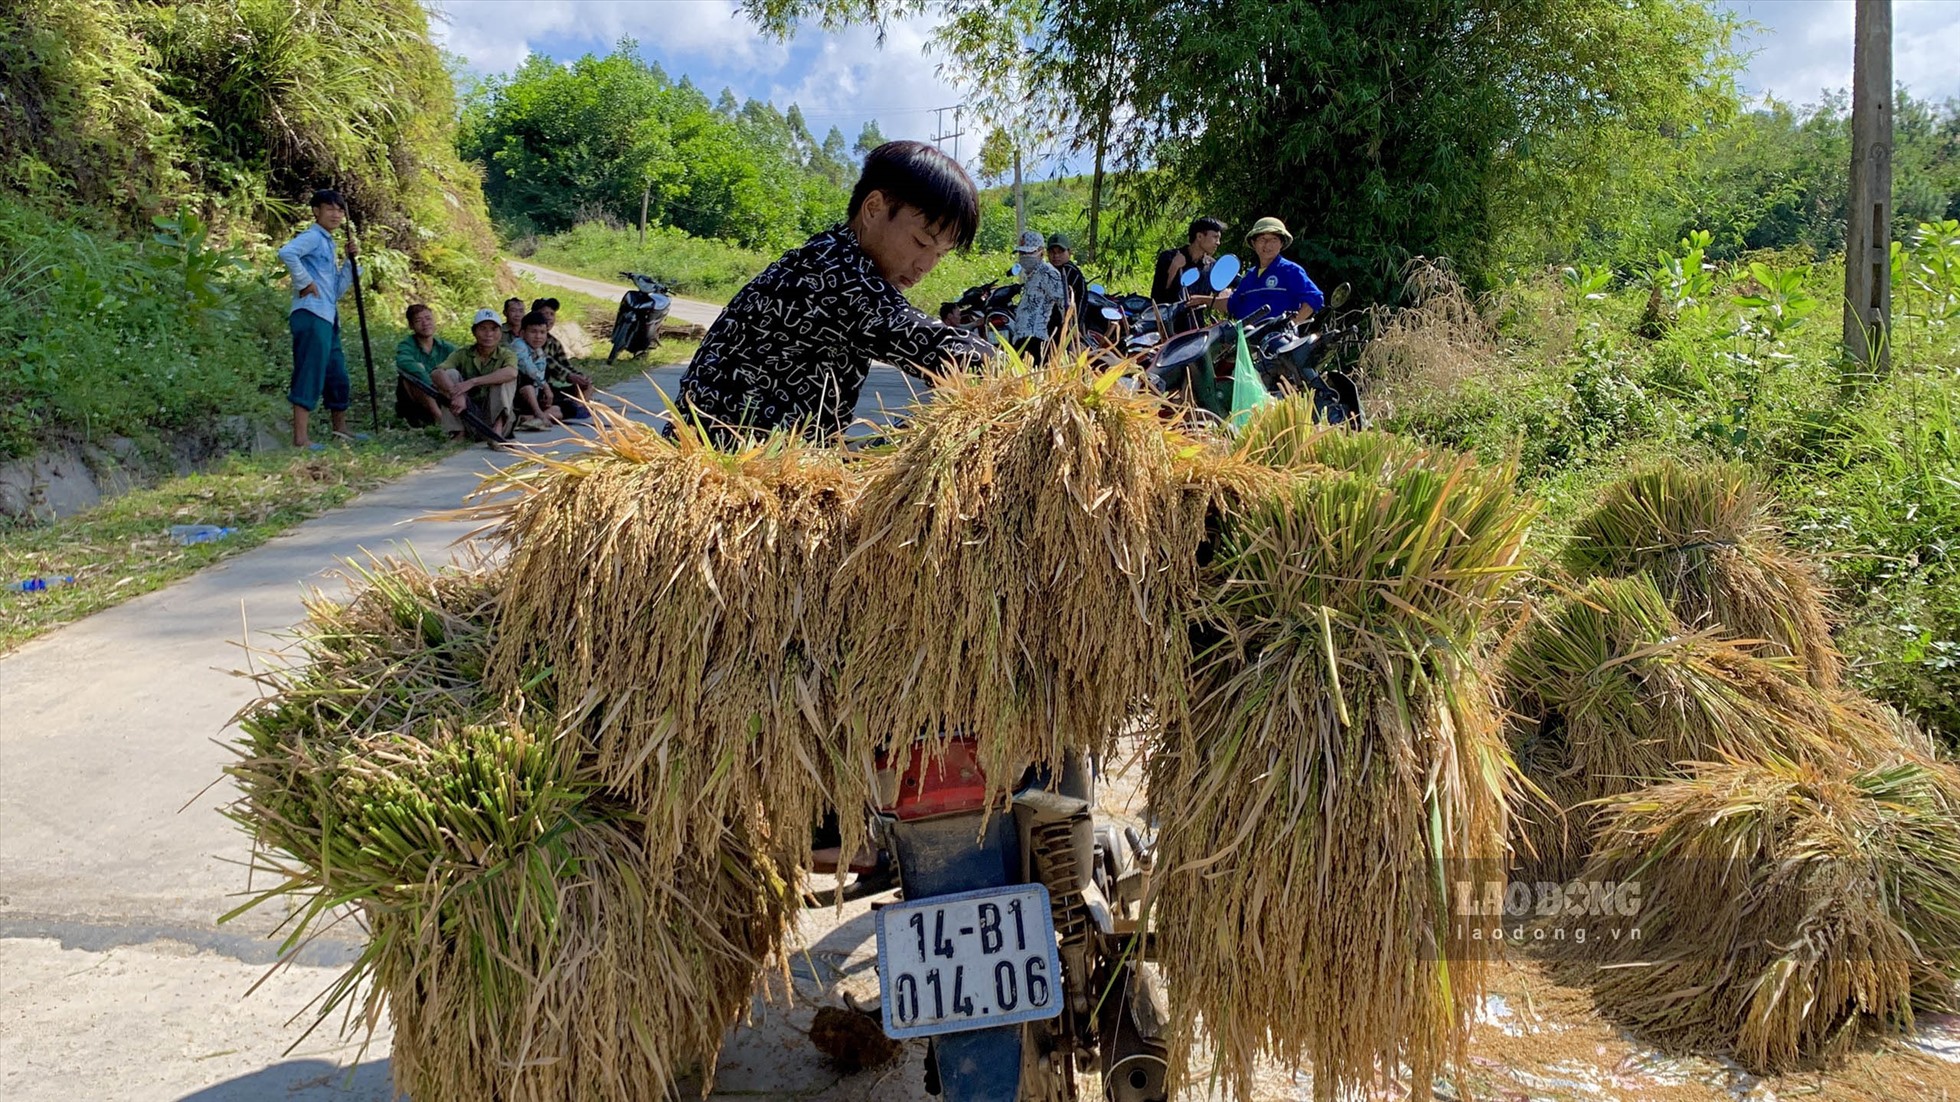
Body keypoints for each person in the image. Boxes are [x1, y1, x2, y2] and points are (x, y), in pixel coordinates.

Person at [675, 140, 993, 442]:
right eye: (921, 242)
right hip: (727, 467)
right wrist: (1023, 378)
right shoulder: (832, 273)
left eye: (940, 254)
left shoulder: (834, 257)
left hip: (772, 457)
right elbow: (932, 344)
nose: (926, 264)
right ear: (873, 209)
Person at [275, 189, 357, 449]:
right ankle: (301, 439)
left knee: (337, 375)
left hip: (327, 316)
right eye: (330, 208)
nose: (336, 214)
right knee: (309, 372)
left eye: (340, 210)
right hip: (311, 315)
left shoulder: (328, 243)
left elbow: (334, 290)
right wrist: (304, 281)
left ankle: (340, 429)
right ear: (316, 211)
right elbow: (287, 253)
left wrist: (350, 265)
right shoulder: (312, 236)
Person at [432, 309, 519, 441]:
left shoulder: (507, 354)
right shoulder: (463, 353)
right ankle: (457, 433)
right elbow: (437, 373)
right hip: (467, 413)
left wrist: (473, 382)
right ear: (474, 332)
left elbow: (511, 373)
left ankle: (496, 434)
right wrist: (456, 393)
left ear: (500, 333)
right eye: (483, 329)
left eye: (494, 329)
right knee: (450, 374)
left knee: (505, 378)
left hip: (495, 417)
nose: (488, 334)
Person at [1222, 217, 1324, 324]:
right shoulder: (1249, 276)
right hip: (1248, 337)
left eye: (1274, 239)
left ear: (1281, 243)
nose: (1267, 245)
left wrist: (1292, 324)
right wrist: (1204, 300)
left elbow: (1314, 298)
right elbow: (1232, 304)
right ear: (1253, 243)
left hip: (1279, 338)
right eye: (1262, 239)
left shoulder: (1290, 270)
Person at [1005, 229, 1066, 363]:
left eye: (1030, 252)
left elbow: (1064, 303)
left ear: (1041, 252)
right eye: (1022, 252)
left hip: (1035, 339)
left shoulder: (1047, 273)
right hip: (1022, 337)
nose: (1025, 256)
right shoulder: (1031, 275)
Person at [393, 303, 455, 428]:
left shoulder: (446, 347)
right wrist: (430, 382)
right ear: (411, 325)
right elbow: (403, 362)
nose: (425, 323)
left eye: (428, 319)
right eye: (418, 320)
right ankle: (440, 420)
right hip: (416, 400)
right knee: (413, 375)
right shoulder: (407, 345)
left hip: (442, 396)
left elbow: (462, 359)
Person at [530, 297, 592, 418]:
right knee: (563, 407)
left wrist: (580, 377)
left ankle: (580, 406)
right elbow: (548, 361)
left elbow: (565, 365)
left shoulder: (554, 342)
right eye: (544, 314)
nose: (549, 318)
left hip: (549, 387)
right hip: (535, 386)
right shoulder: (528, 338)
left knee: (586, 385)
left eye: (552, 314)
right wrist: (569, 376)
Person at [1152, 216, 1225, 305]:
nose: (1218, 243)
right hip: (1167, 317)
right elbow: (1157, 298)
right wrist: (1174, 268)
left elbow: (1221, 298)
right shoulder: (1169, 257)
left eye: (1219, 239)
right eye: (1215, 237)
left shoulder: (1212, 266)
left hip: (1196, 318)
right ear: (1199, 236)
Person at [511, 309, 563, 430]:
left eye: (542, 332)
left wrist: (545, 393)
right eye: (533, 332)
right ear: (522, 333)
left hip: (534, 396)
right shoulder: (518, 345)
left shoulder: (539, 351)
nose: (538, 336)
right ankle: (539, 416)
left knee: (559, 410)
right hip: (517, 394)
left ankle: (531, 419)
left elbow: (541, 375)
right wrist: (545, 387)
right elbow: (529, 369)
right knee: (527, 381)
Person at [1047, 232, 1089, 339]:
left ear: (1069, 252)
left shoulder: (1070, 272)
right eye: (1052, 252)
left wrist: (1074, 327)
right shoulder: (1048, 271)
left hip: (1065, 326)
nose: (1056, 256)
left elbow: (1080, 302)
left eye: (1060, 252)